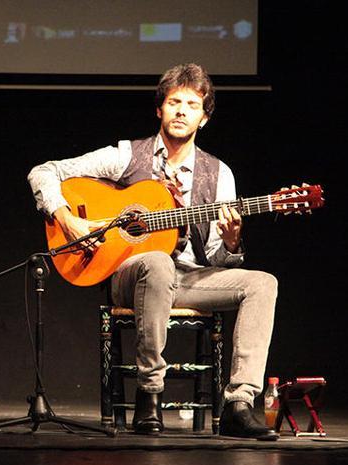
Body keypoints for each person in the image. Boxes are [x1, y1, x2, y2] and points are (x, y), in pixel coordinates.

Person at [27, 64, 279, 440]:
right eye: (173, 102)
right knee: (158, 262)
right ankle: (150, 393)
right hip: (130, 277)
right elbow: (43, 172)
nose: (181, 111)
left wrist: (230, 243)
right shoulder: (127, 156)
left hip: (190, 278)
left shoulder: (219, 174)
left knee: (262, 283)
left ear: (204, 118)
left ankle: (238, 405)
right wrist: (67, 220)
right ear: (159, 109)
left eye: (192, 105)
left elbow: (214, 258)